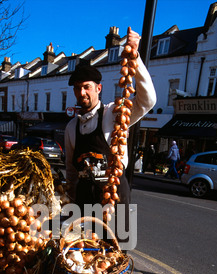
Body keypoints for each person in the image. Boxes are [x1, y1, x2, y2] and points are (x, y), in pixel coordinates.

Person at [64, 27, 156, 240]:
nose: (82, 93)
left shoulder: (113, 114)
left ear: (98, 88)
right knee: (86, 254)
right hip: (85, 199)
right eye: (77, 88)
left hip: (115, 197)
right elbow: (71, 170)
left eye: (86, 87)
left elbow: (148, 101)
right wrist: (70, 200)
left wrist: (135, 57)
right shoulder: (71, 128)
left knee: (117, 253)